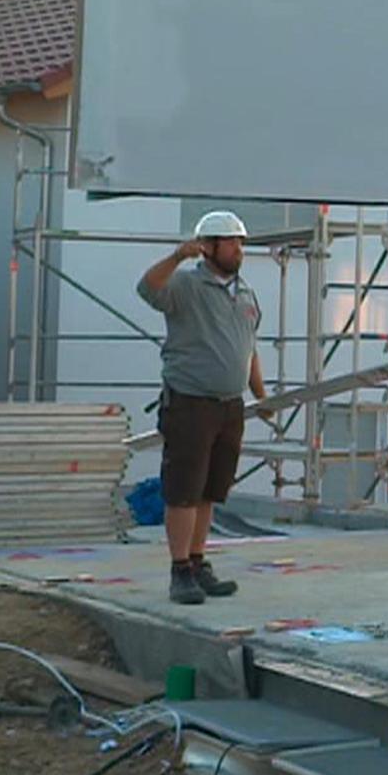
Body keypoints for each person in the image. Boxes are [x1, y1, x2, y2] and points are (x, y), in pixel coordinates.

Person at [135, 211, 268, 606]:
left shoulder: (244, 294)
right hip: (191, 404)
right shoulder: (185, 287)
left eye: (241, 243)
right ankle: (179, 571)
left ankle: (197, 562)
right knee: (184, 492)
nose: (239, 250)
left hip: (229, 407)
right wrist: (177, 256)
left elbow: (248, 348)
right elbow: (146, 287)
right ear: (208, 247)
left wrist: (261, 395)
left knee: (210, 490)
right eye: (231, 243)